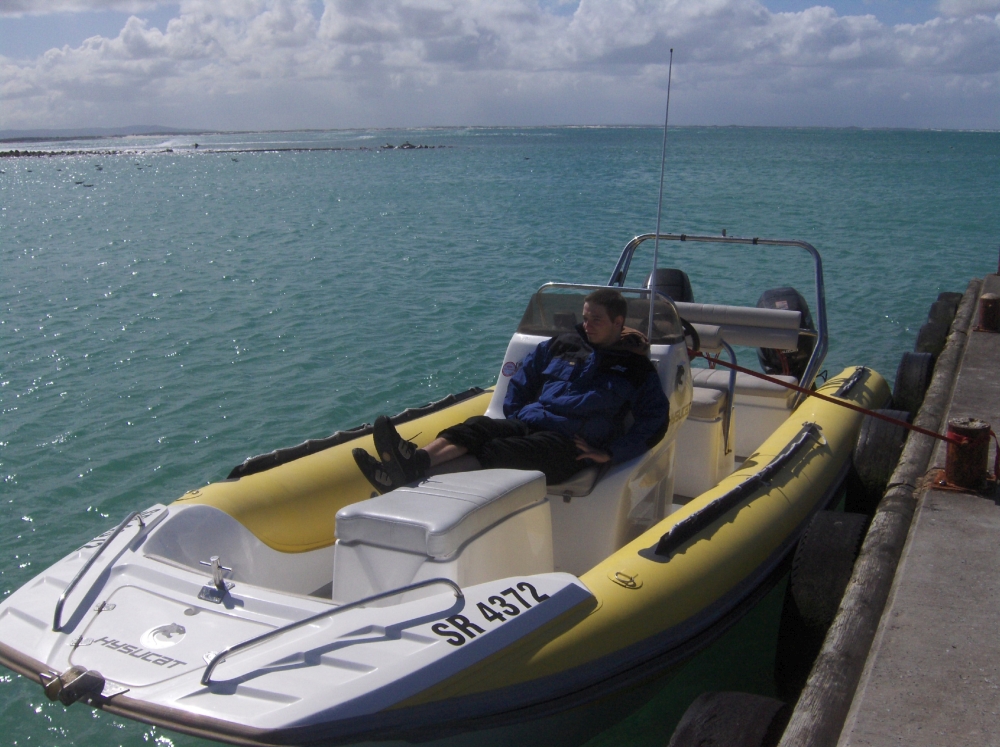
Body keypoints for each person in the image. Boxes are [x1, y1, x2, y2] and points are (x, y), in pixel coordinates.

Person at [352, 288, 669, 493]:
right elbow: (524, 374)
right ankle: (416, 462)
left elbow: (654, 421)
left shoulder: (635, 368)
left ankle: (409, 484)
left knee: (500, 452)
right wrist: (519, 414)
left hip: (569, 445)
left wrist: (611, 453)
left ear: (618, 321)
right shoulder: (565, 344)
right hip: (532, 422)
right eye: (585, 318)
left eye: (596, 320)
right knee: (476, 427)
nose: (587, 325)